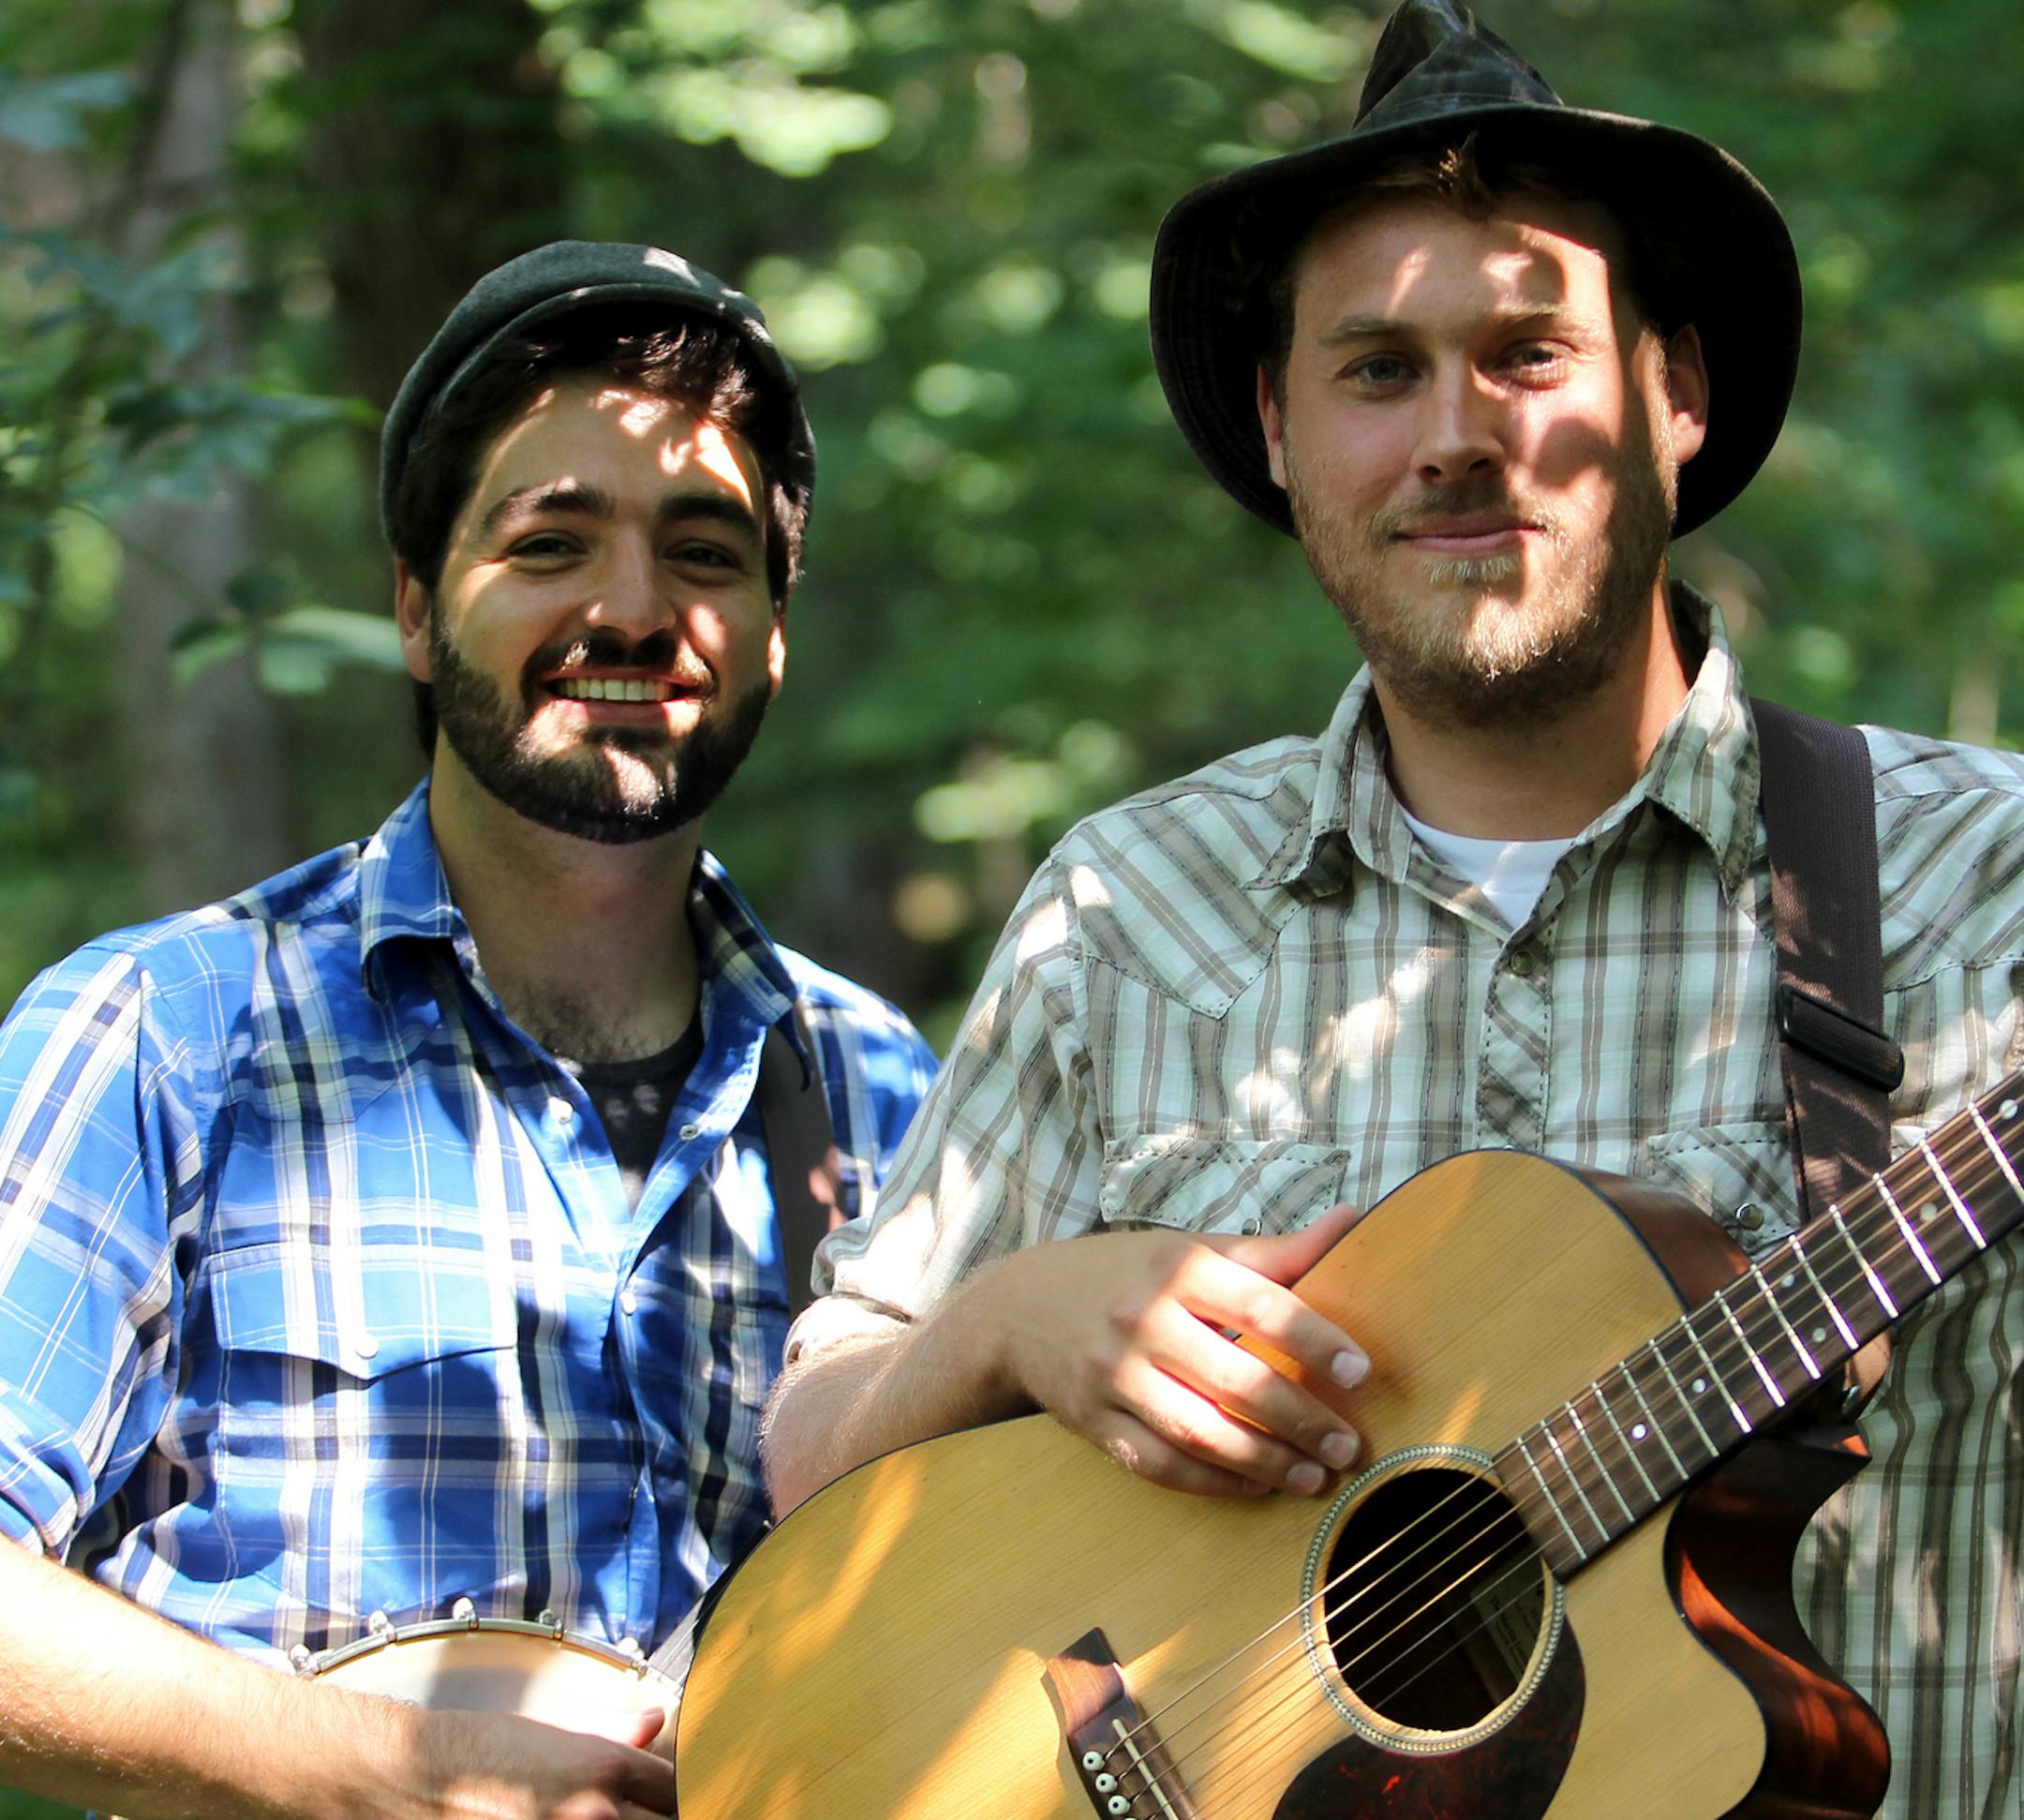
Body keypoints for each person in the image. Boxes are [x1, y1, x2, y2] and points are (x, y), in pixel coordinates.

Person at [763, 4, 2024, 1810]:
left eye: (1526, 353)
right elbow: (814, 1455)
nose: (1455, 436)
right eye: (1376, 370)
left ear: (1673, 393)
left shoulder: (1985, 888)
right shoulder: (1125, 912)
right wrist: (997, 1323)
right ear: (1280, 428)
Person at [0, 242, 934, 1818]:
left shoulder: (875, 1099)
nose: (632, 609)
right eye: (551, 542)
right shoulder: (166, 1032)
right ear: (421, 616)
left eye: (702, 551)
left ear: (774, 632)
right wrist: (358, 1767)